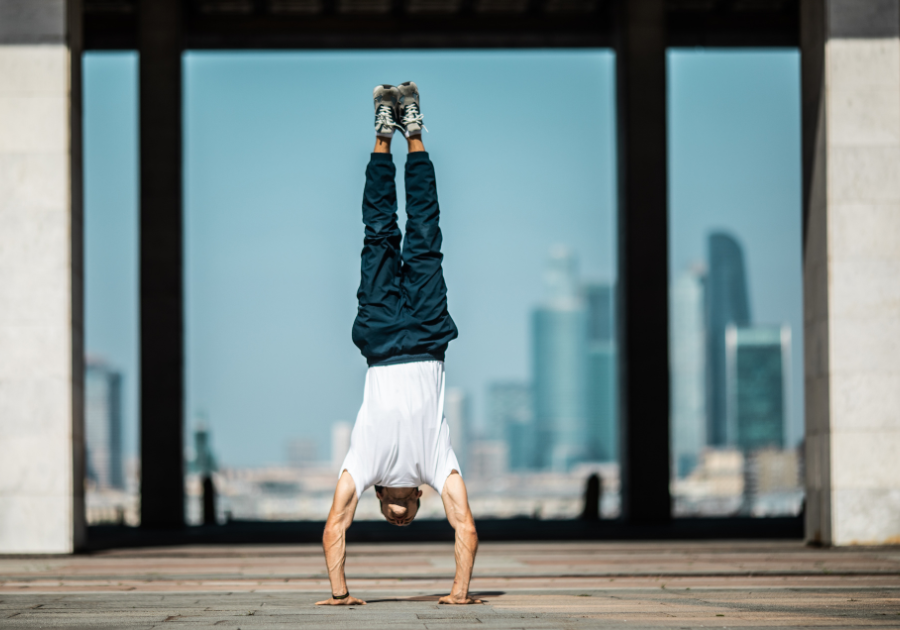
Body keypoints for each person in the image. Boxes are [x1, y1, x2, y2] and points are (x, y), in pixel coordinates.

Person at [316, 82, 480, 607]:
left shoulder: (365, 465)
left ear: (382, 500)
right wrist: (458, 593)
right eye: (404, 515)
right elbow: (466, 527)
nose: (399, 514)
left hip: (383, 336)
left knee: (380, 233)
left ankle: (382, 136)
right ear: (417, 500)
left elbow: (335, 524)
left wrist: (340, 592)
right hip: (429, 335)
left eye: (391, 515)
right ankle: (414, 131)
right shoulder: (437, 465)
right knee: (425, 234)